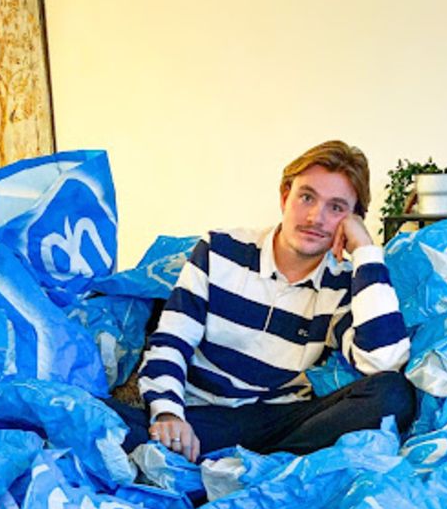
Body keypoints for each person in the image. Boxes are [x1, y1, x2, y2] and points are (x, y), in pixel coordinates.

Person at [126, 140, 413, 461]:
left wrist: (365, 251)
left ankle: (248, 466)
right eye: (307, 197)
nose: (316, 217)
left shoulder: (345, 283)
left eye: (336, 207)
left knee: (393, 395)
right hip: (205, 416)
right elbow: (170, 341)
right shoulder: (220, 249)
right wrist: (168, 414)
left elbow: (383, 361)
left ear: (351, 221)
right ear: (284, 197)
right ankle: (235, 463)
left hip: (281, 422)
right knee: (96, 419)